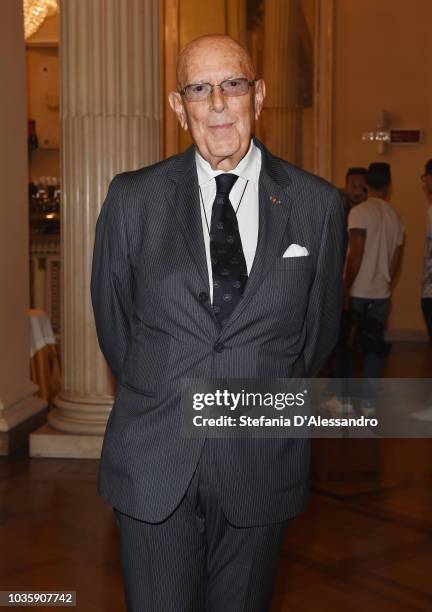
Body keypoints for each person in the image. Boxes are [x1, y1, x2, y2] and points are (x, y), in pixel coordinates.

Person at [90, 34, 345, 611]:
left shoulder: (317, 205)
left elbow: (316, 336)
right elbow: (114, 325)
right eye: (200, 89)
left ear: (259, 94)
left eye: (233, 84)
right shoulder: (133, 200)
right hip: (155, 459)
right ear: (179, 107)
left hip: (260, 461)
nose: (219, 104)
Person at [344, 162, 404, 413]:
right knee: (373, 348)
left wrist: (345, 289)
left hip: (358, 291)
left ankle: (344, 401)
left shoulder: (360, 212)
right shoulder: (396, 217)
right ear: (389, 186)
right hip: (381, 292)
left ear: (367, 183)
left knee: (346, 346)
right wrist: (386, 283)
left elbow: (355, 256)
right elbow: (395, 260)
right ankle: (368, 403)